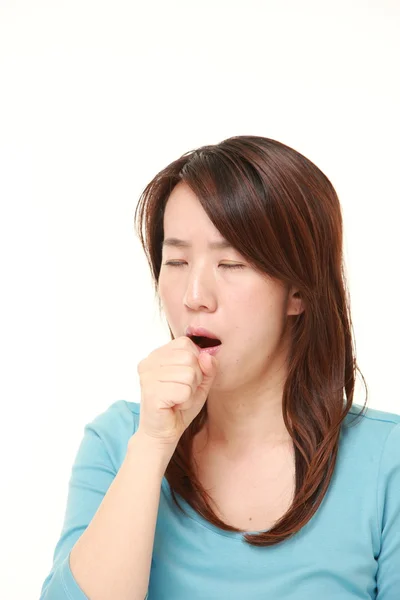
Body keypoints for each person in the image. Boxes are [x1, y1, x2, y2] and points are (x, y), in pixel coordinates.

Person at [39, 135, 400, 600]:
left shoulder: (386, 461)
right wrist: (152, 445)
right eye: (176, 261)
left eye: (230, 263)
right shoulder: (117, 443)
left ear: (299, 291)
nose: (194, 296)